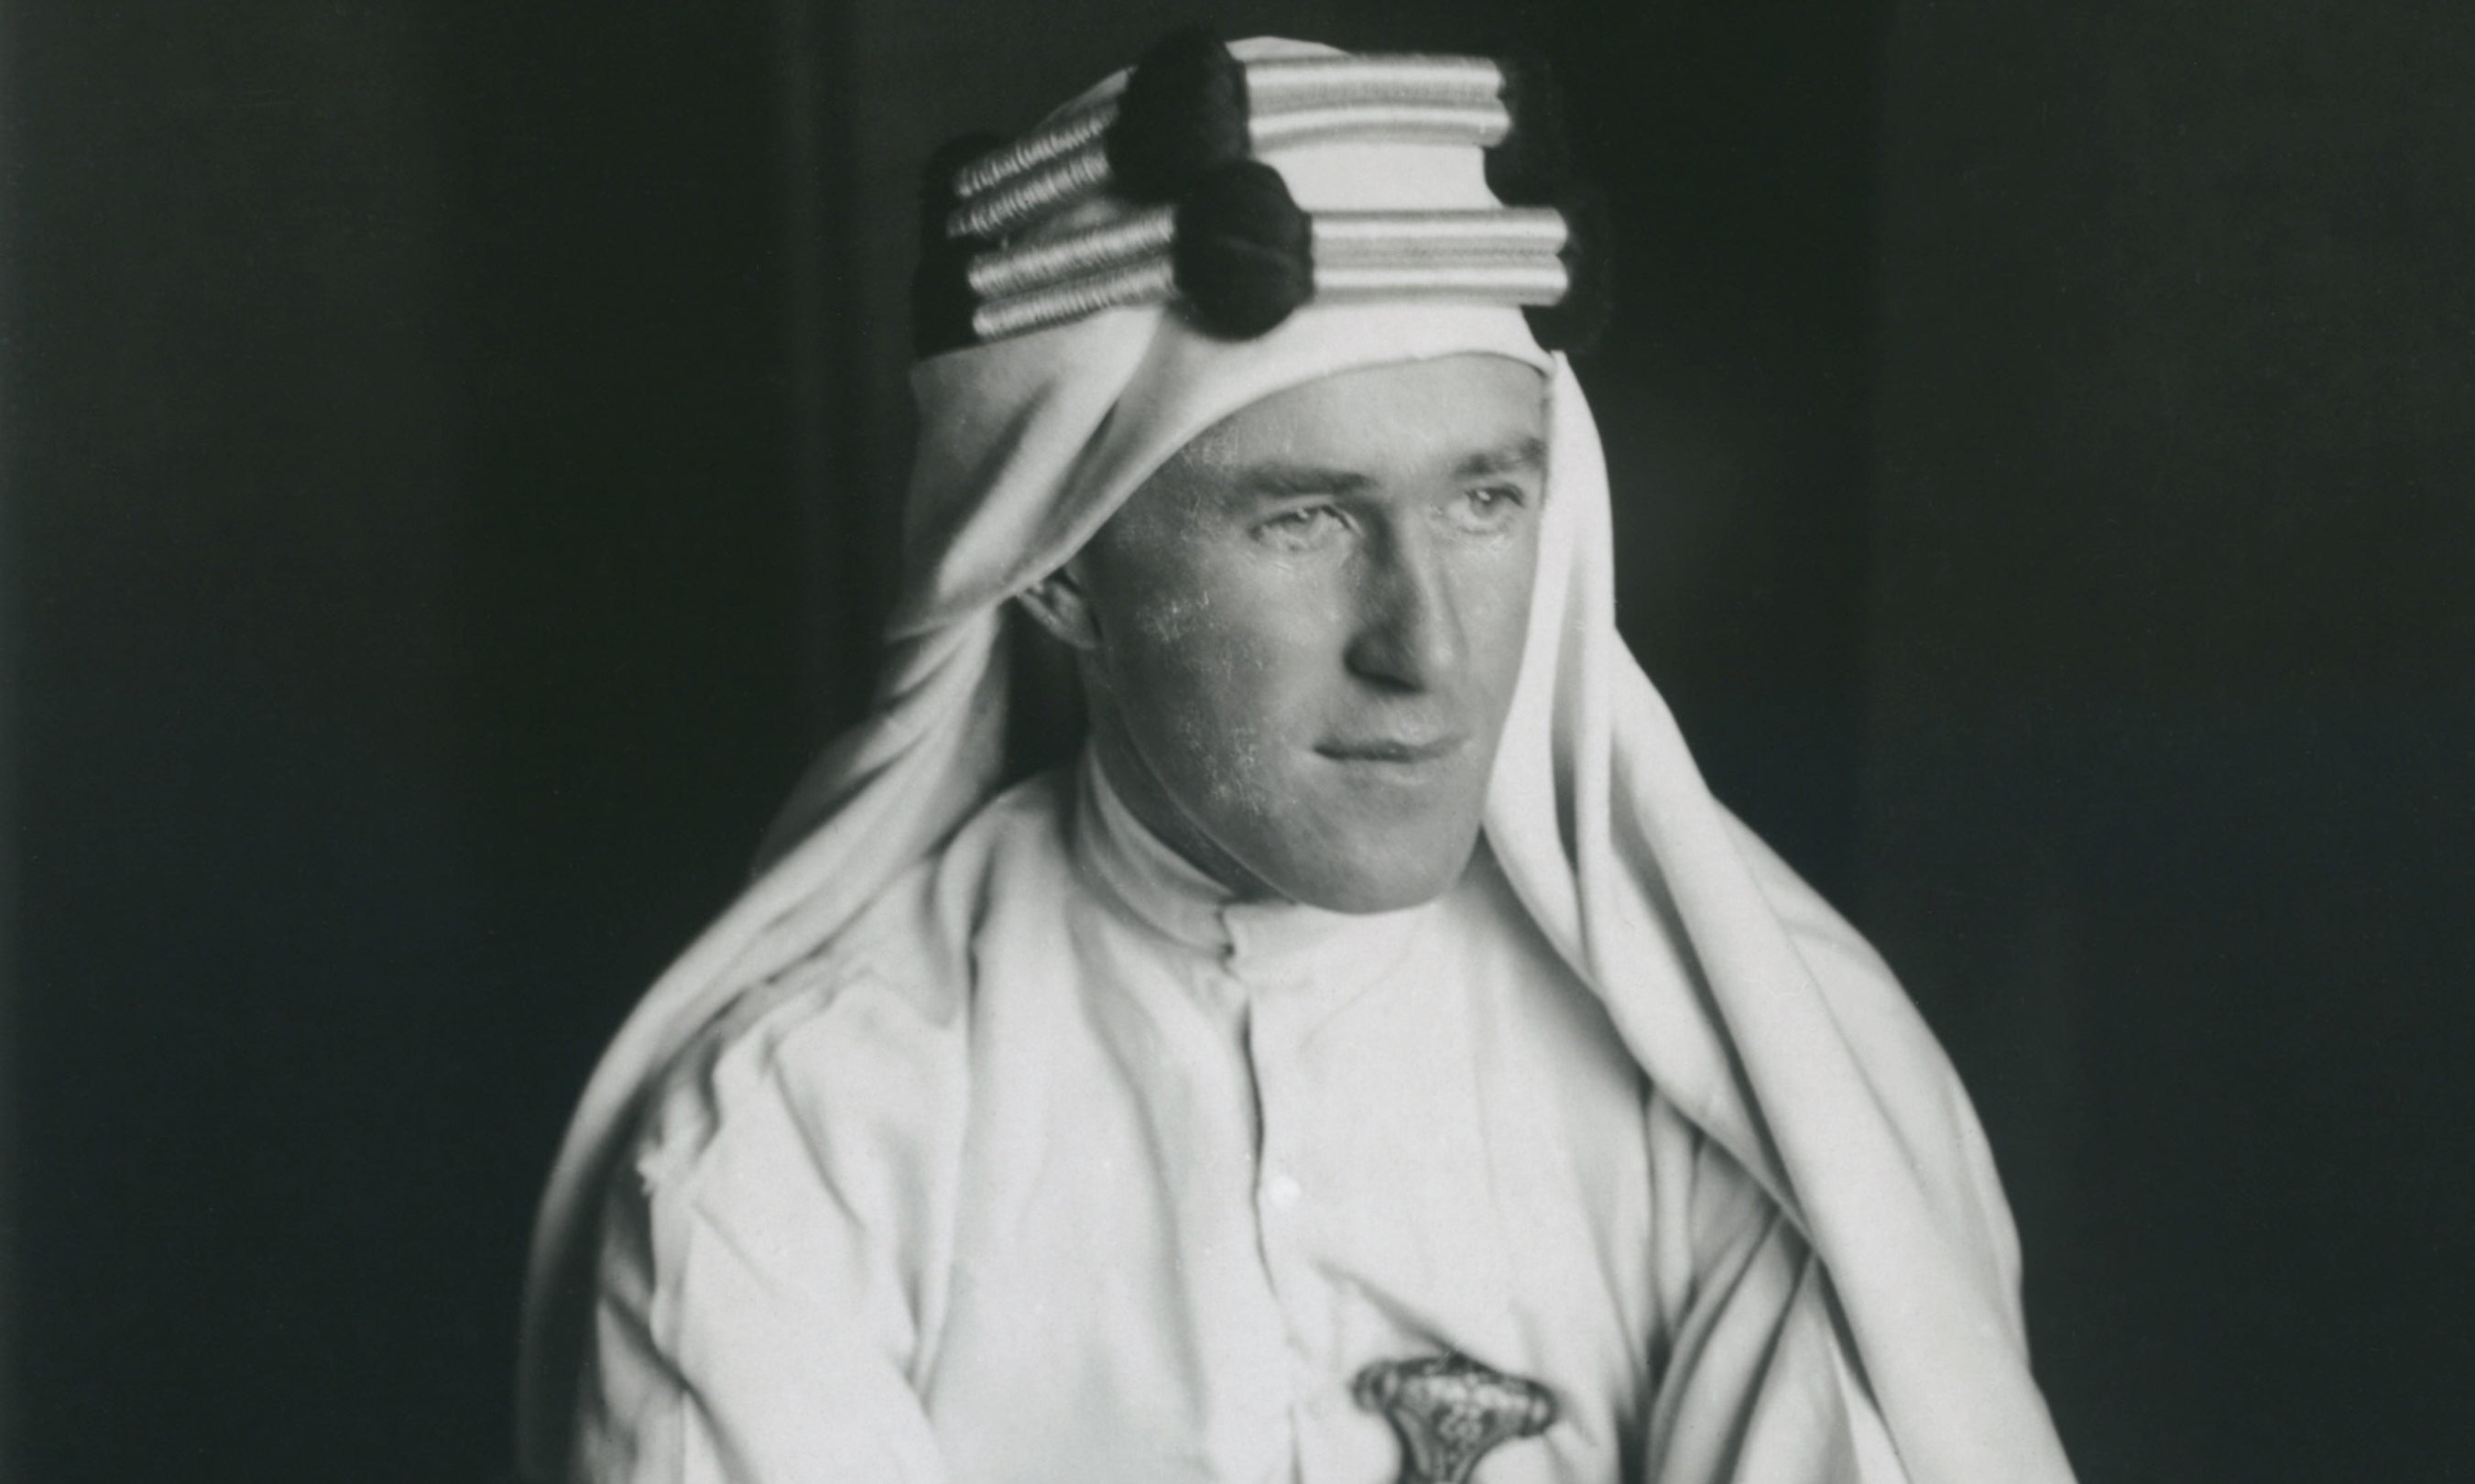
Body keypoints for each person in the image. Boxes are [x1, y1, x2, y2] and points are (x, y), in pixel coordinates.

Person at [515, 31, 2077, 1484]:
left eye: (1485, 500)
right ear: (1061, 571)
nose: (1431, 647)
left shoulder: (1788, 1103)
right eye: (1306, 520)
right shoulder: (801, 1128)